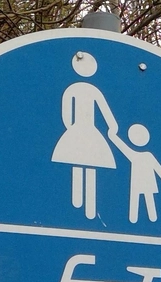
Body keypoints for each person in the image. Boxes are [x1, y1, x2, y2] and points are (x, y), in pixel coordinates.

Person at [51, 52, 119, 220]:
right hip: (87, 130)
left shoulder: (75, 89)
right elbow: (105, 113)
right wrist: (112, 127)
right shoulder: (84, 89)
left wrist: (71, 129)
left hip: (79, 130)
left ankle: (84, 207)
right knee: (87, 164)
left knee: (84, 163)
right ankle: (82, 207)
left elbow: (66, 114)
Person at [108, 124, 161, 223]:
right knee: (135, 199)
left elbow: (158, 168)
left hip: (147, 182)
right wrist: (112, 136)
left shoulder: (146, 155)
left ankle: (151, 218)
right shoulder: (135, 155)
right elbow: (122, 147)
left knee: (147, 198)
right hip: (137, 182)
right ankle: (133, 219)